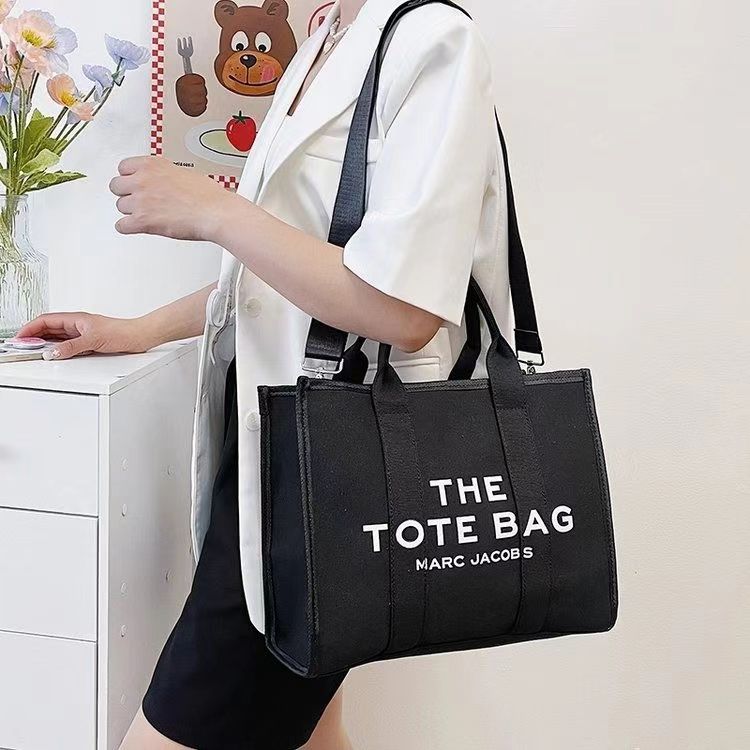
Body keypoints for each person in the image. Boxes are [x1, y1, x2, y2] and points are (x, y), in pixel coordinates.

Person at [19, 0, 514, 747]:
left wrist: (212, 213)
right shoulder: (324, 38)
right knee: (315, 734)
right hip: (272, 447)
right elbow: (283, 279)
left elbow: (406, 308)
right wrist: (137, 329)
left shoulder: (434, 39)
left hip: (330, 478)